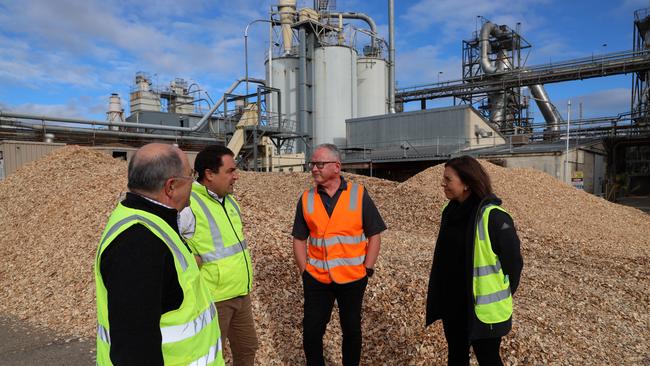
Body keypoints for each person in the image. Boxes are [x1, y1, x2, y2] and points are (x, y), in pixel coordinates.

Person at [95, 143, 223, 365]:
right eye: (190, 176)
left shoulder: (151, 222)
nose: (193, 183)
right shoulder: (138, 243)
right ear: (171, 186)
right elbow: (134, 352)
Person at [292, 143, 387, 366]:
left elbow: (374, 234)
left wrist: (368, 268)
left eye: (319, 164)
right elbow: (299, 238)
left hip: (353, 277)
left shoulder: (359, 194)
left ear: (336, 167)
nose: (314, 168)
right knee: (312, 333)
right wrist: (304, 271)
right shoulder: (306, 198)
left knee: (352, 331)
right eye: (312, 164)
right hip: (317, 278)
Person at [426, 155, 523, 366]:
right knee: (456, 357)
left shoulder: (494, 217)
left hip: (481, 308)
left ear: (467, 183)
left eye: (448, 179)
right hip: (454, 304)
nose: (443, 183)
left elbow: (514, 262)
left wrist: (506, 290)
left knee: (488, 359)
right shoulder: (448, 212)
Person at [179, 145, 257, 366]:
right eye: (231, 171)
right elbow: (166, 242)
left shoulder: (230, 201)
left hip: (241, 293)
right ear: (209, 174)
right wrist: (188, 258)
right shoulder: (188, 204)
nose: (236, 176)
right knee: (211, 357)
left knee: (247, 348)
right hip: (213, 299)